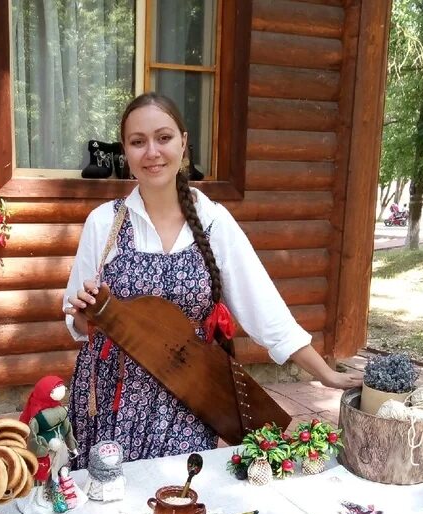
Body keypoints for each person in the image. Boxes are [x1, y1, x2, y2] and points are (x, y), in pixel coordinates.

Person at [64, 93, 361, 471]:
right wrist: (85, 314)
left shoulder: (213, 221)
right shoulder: (103, 223)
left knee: (178, 495)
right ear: (126, 150)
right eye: (138, 142)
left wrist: (326, 374)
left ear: (184, 143)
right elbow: (76, 323)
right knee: (108, 507)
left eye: (163, 137)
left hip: (189, 391)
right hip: (111, 394)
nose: (152, 151)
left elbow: (267, 314)